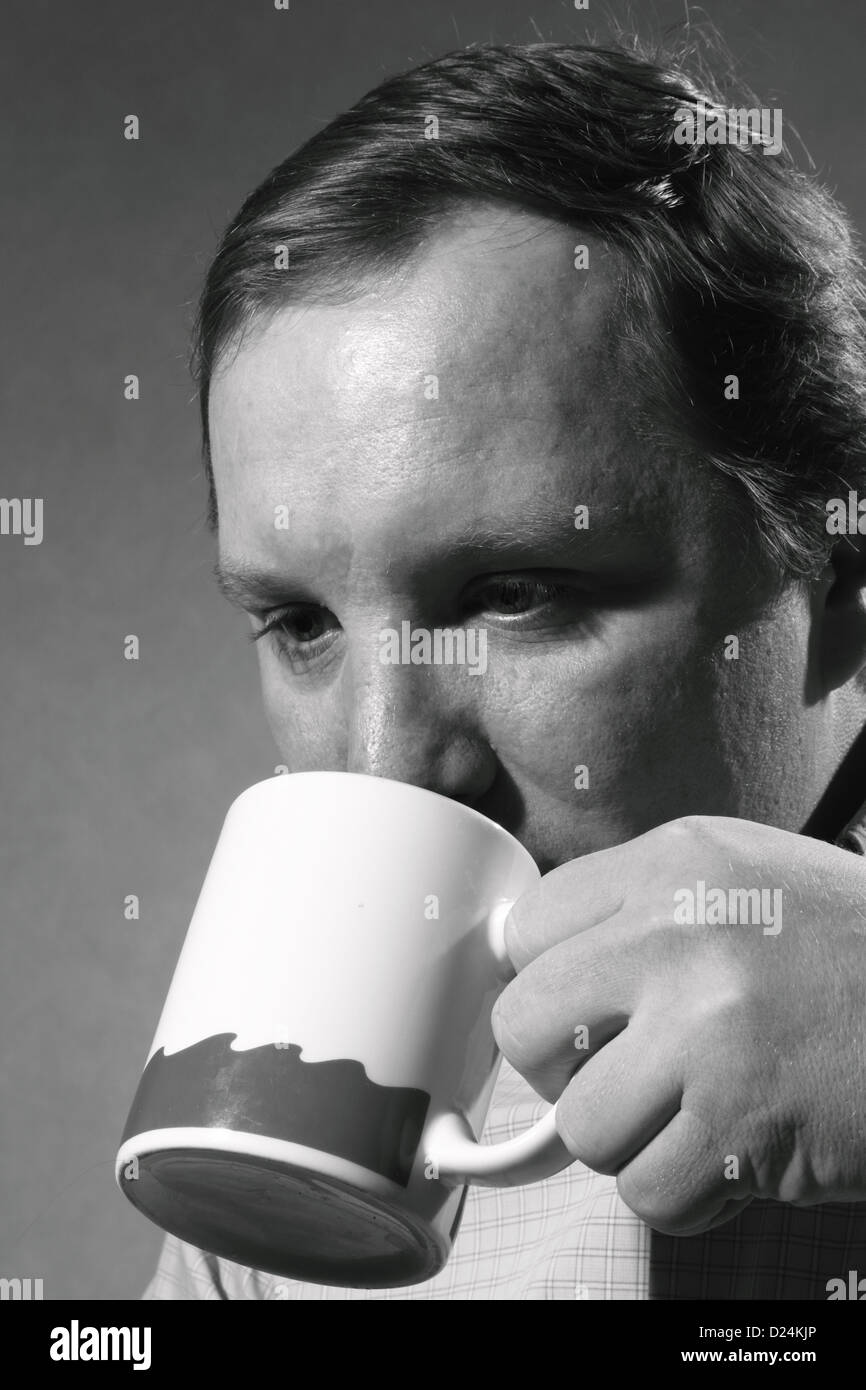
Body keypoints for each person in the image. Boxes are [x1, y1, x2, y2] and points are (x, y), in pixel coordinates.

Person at [144, 38, 866, 1299]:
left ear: (843, 591)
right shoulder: (281, 1128)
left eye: (512, 594)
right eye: (300, 622)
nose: (387, 769)